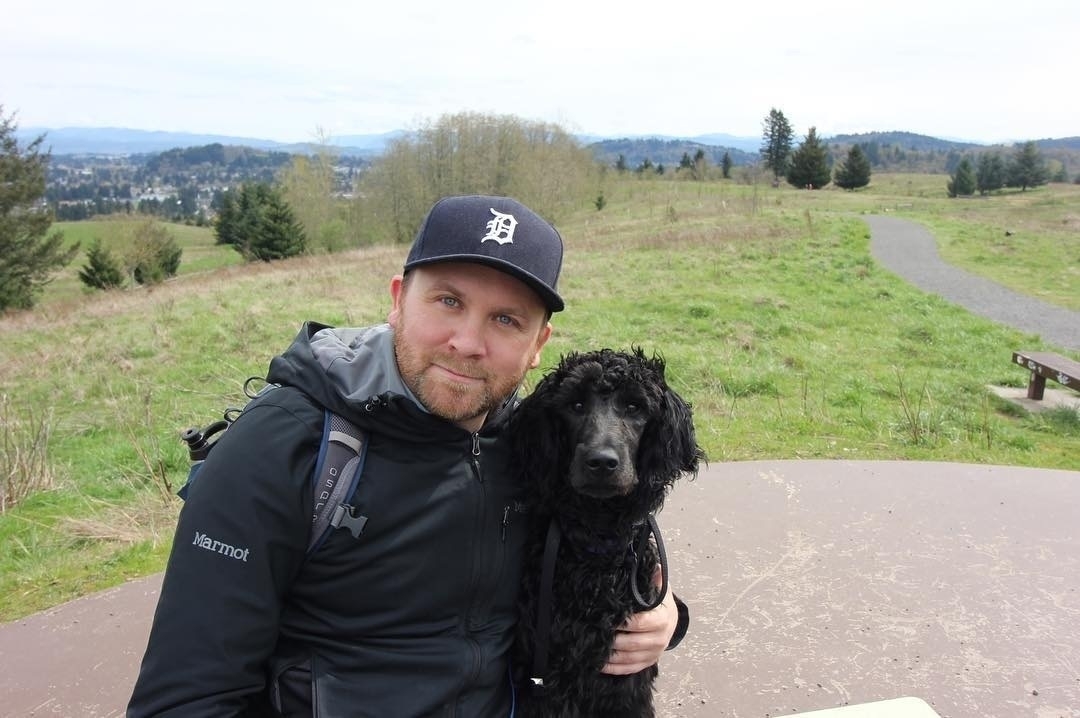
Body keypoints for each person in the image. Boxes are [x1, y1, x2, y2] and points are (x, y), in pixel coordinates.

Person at [128, 194, 688, 717]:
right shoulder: (286, 445)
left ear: (538, 343)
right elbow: (187, 699)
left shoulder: (535, 442)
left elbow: (594, 551)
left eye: (506, 319)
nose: (467, 343)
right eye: (449, 301)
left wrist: (663, 615)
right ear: (398, 300)